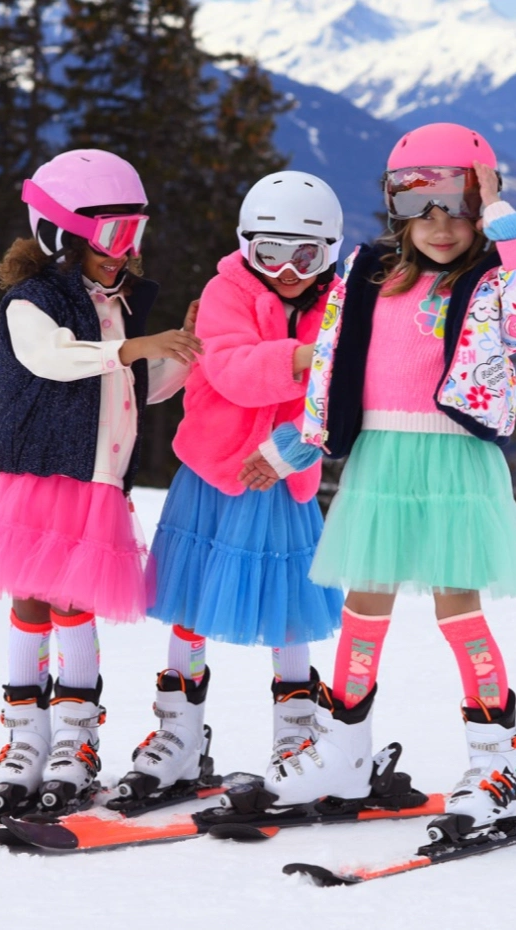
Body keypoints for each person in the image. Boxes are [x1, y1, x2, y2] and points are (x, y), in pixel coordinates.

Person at [240, 123, 516, 843]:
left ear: (482, 206)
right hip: (381, 462)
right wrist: (295, 447)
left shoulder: (493, 281)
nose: (442, 226)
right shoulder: (364, 274)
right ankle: (344, 751)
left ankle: (497, 761)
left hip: (454, 461)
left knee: (458, 606)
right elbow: (330, 368)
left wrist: (507, 220)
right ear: (396, 208)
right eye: (422, 207)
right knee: (364, 604)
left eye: (460, 207)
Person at [0, 149, 203, 819]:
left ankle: (75, 744)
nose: (125, 252)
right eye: (112, 236)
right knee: (32, 601)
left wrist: (186, 355)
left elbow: (133, 388)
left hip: (96, 486)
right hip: (41, 477)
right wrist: (138, 347)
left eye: (134, 235)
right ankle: (24, 741)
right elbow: (53, 359)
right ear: (61, 235)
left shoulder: (113, 304)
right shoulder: (30, 301)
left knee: (73, 605)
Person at [114, 171, 347, 804]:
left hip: (281, 480)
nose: (289, 269)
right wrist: (309, 358)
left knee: (288, 611)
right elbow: (236, 371)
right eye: (270, 252)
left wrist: (290, 445)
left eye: (309, 254)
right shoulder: (226, 291)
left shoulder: (341, 306)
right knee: (190, 603)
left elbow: (338, 399)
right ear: (246, 245)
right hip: (216, 471)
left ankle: (296, 736)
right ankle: (179, 734)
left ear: (331, 251)